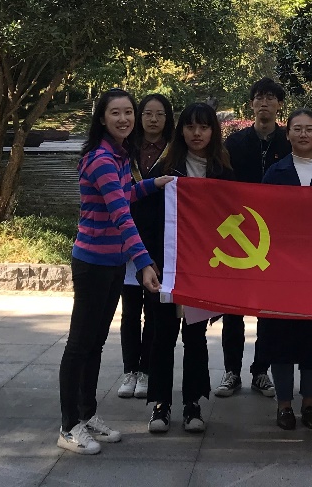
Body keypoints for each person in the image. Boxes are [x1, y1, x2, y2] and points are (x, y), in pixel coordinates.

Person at [58, 88, 170, 456]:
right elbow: (121, 214)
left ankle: (86, 414)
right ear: (102, 118)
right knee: (79, 345)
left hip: (111, 263)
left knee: (95, 343)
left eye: (128, 112)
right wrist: (144, 262)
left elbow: (126, 195)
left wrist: (154, 183)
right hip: (92, 263)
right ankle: (68, 426)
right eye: (115, 113)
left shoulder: (119, 155)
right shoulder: (102, 159)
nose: (124, 119)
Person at [138, 102, 232, 434]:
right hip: (166, 266)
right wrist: (147, 262)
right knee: (162, 335)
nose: (197, 133)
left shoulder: (223, 172)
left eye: (203, 127)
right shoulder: (166, 170)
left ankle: (193, 403)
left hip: (204, 269)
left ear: (213, 131)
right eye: (190, 127)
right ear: (181, 131)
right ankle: (160, 405)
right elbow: (147, 219)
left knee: (195, 337)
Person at [261, 109, 312, 430]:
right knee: (280, 338)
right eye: (297, 129)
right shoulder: (275, 173)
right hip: (281, 272)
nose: (303, 134)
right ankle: (284, 405)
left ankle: (309, 403)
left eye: (309, 129)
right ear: (288, 134)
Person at [216, 77, 292, 398]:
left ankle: (261, 370)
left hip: (276, 238)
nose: (264, 103)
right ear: (251, 104)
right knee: (233, 308)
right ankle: (231, 371)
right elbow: (219, 184)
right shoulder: (234, 143)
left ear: (279, 104)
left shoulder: (289, 142)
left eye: (270, 97)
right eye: (259, 97)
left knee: (268, 310)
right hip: (239, 234)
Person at [118, 93, 175, 400]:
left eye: (160, 114)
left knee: (155, 310)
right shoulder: (125, 150)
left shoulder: (174, 152)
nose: (153, 119)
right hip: (128, 239)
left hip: (162, 240)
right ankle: (130, 370)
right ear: (140, 118)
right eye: (148, 114)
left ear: (168, 119)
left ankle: (147, 369)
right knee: (130, 310)